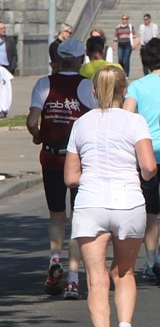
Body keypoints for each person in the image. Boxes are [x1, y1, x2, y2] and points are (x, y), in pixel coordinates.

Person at [64, 66, 156, 327]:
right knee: (124, 272)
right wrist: (139, 177)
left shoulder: (80, 125)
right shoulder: (135, 121)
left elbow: (70, 177)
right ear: (124, 91)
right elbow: (148, 166)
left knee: (96, 279)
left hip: (91, 203)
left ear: (93, 91)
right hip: (128, 202)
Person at [26, 38, 95, 299]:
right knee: (79, 218)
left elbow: (33, 120)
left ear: (59, 58)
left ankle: (55, 259)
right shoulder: (87, 86)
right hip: (79, 161)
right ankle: (74, 279)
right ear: (79, 60)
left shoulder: (45, 83)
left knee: (57, 215)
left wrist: (38, 136)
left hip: (52, 157)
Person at [123, 38, 160, 286]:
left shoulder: (137, 86)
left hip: (144, 155)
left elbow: (126, 115)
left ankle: (149, 260)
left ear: (145, 60)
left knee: (150, 211)